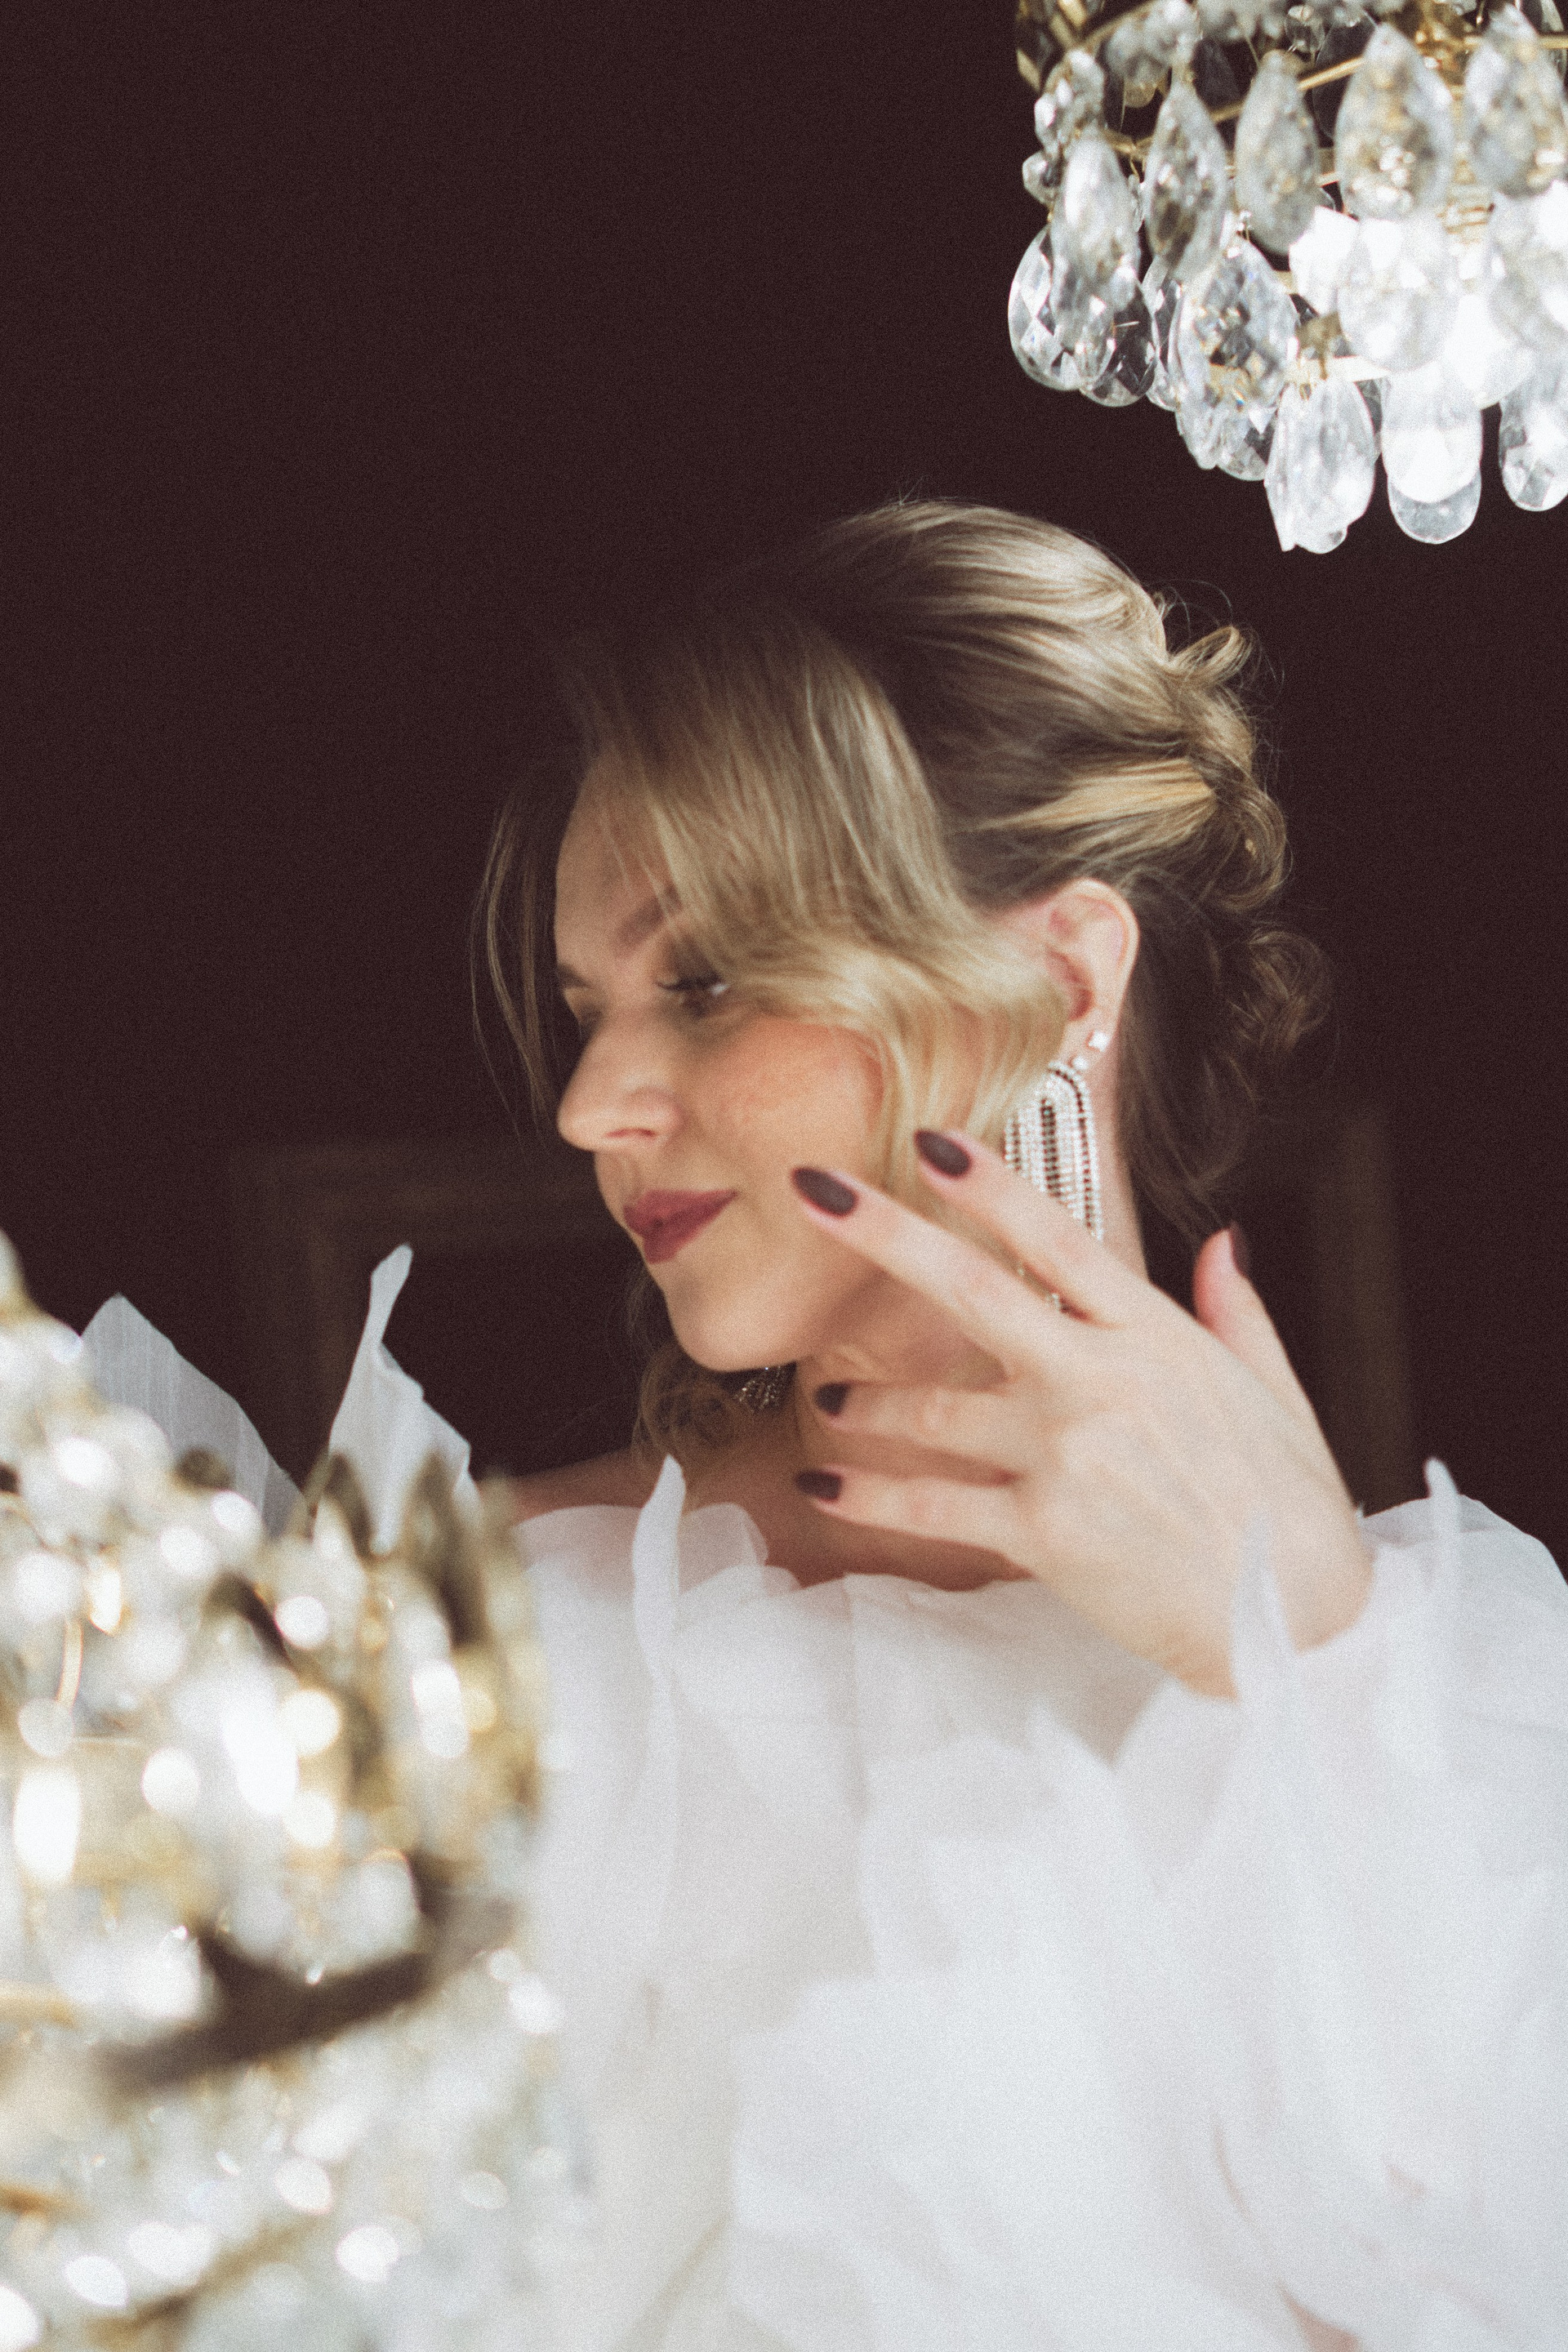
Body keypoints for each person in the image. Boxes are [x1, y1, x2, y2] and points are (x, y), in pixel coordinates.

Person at [477, 502, 1568, 2350]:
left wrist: (1312, 1668)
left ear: (1064, 983)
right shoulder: (479, 1633)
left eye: (707, 981)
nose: (592, 1106)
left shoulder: (1460, 1703)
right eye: (592, 1011)